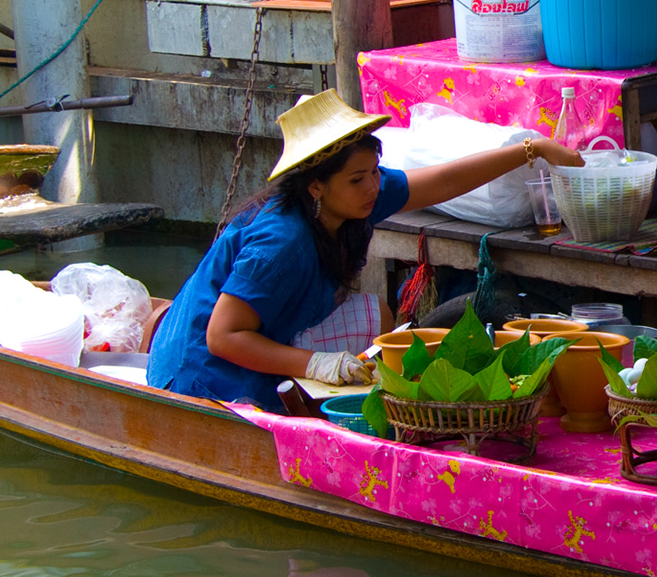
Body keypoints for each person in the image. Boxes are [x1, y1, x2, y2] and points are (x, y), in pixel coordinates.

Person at [148, 91, 583, 401]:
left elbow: (444, 180)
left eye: (375, 171)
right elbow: (223, 337)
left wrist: (532, 148)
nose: (374, 186)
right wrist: (314, 364)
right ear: (315, 186)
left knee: (376, 316)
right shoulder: (280, 243)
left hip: (273, 328)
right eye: (358, 179)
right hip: (198, 372)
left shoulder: (355, 195)